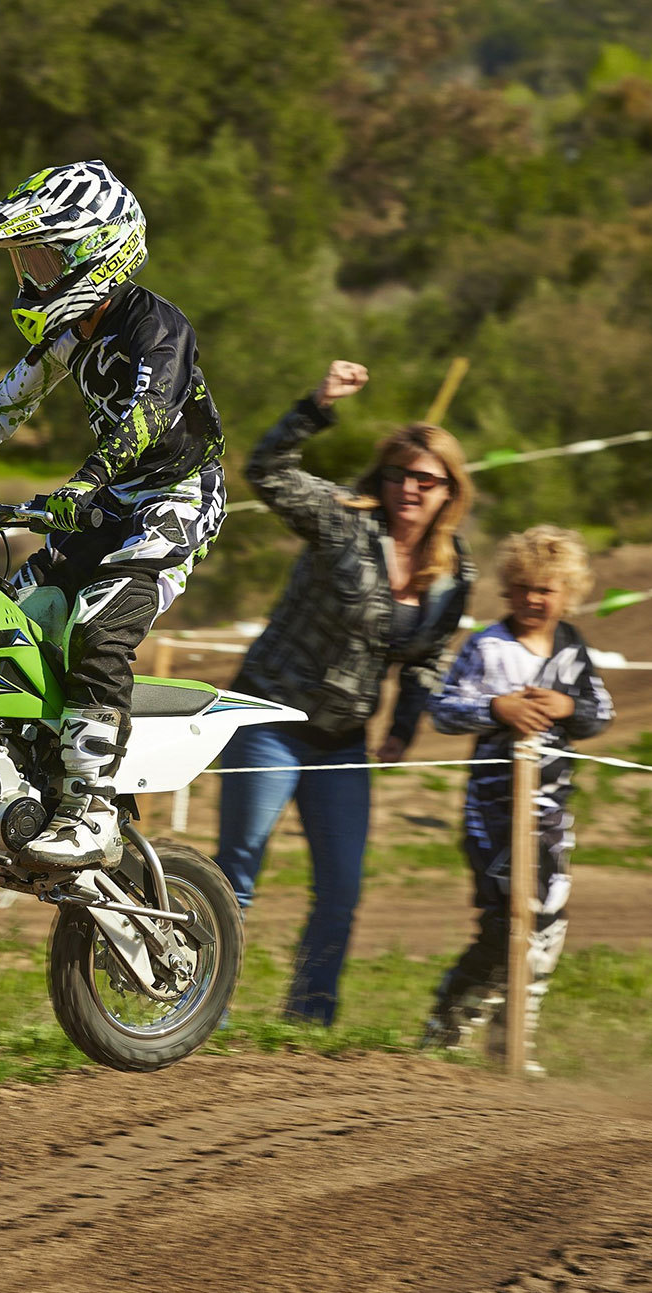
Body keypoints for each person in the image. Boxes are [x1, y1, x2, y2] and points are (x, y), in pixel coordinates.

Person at [0, 160, 226, 869]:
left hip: (176, 500)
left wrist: (85, 480)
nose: (29, 278)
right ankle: (1, 779)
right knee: (1, 617)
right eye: (24, 262)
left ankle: (92, 810)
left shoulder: (158, 326)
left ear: (97, 252)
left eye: (42, 260)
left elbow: (151, 412)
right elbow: (6, 403)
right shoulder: (69, 335)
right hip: (109, 501)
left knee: (98, 625)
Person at [213, 360, 475, 1025]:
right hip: (269, 718)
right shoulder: (343, 522)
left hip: (343, 740)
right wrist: (317, 404)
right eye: (398, 474)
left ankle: (310, 1021)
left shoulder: (453, 572)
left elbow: (426, 658)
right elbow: (267, 471)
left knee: (341, 890)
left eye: (426, 479)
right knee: (237, 873)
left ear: (450, 491)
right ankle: (196, 1009)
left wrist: (404, 725)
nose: (409, 488)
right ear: (380, 478)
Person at [422, 525, 614, 1076]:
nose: (534, 599)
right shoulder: (487, 646)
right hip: (493, 807)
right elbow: (443, 709)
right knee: (505, 918)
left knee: (548, 920)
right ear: (508, 589)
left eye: (546, 589)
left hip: (551, 809)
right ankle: (447, 1029)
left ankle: (514, 1040)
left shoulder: (573, 649)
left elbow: (602, 712)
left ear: (568, 593)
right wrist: (496, 709)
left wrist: (567, 708)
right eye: (524, 588)